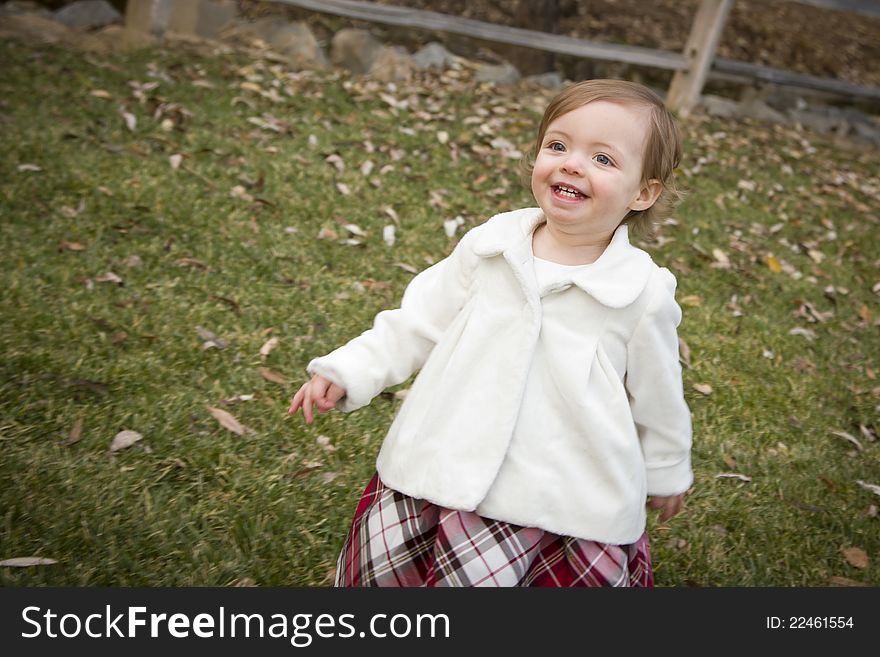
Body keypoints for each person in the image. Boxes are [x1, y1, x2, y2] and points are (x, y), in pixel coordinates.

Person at [289, 79, 692, 587]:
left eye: (603, 159)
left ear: (643, 192)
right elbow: (418, 320)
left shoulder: (641, 291)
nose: (571, 164)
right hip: (443, 462)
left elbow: (658, 392)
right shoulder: (490, 246)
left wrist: (668, 467)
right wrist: (349, 370)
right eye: (558, 145)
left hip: (564, 496)